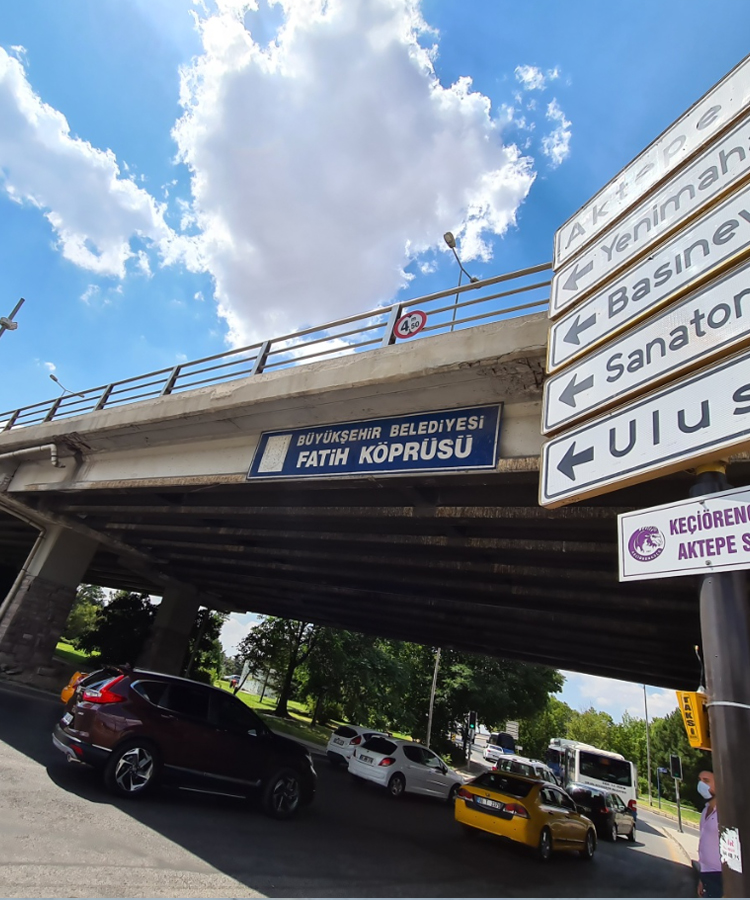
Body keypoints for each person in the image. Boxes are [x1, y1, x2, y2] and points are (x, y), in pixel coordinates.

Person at [697, 770, 722, 898]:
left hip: (721, 877)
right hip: (706, 874)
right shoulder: (705, 810)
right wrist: (701, 879)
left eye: (706, 781)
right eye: (700, 780)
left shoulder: (726, 813)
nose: (701, 784)